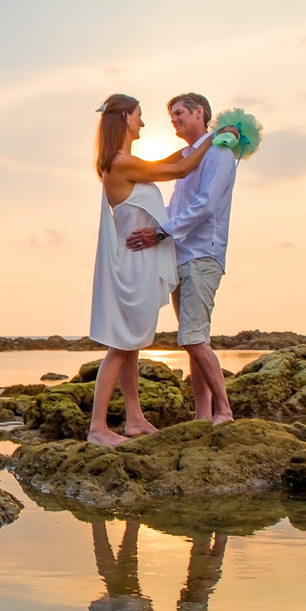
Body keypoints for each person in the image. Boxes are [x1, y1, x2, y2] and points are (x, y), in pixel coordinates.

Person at [88, 94, 222, 446]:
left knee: (131, 345)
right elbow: (179, 169)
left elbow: (172, 159)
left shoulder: (127, 161)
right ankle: (98, 429)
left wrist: (209, 137)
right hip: (133, 265)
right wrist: (215, 141)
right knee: (121, 345)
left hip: (140, 262)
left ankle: (134, 419)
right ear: (124, 119)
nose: (143, 124)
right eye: (138, 116)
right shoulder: (120, 163)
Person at [126, 93, 236, 423]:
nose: (173, 119)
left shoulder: (219, 152)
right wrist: (154, 229)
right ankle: (203, 414)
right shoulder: (189, 156)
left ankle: (224, 409)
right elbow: (176, 205)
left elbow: (206, 205)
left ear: (199, 112)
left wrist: (161, 233)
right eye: (171, 115)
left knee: (193, 338)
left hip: (204, 254)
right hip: (181, 255)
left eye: (179, 113)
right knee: (193, 338)